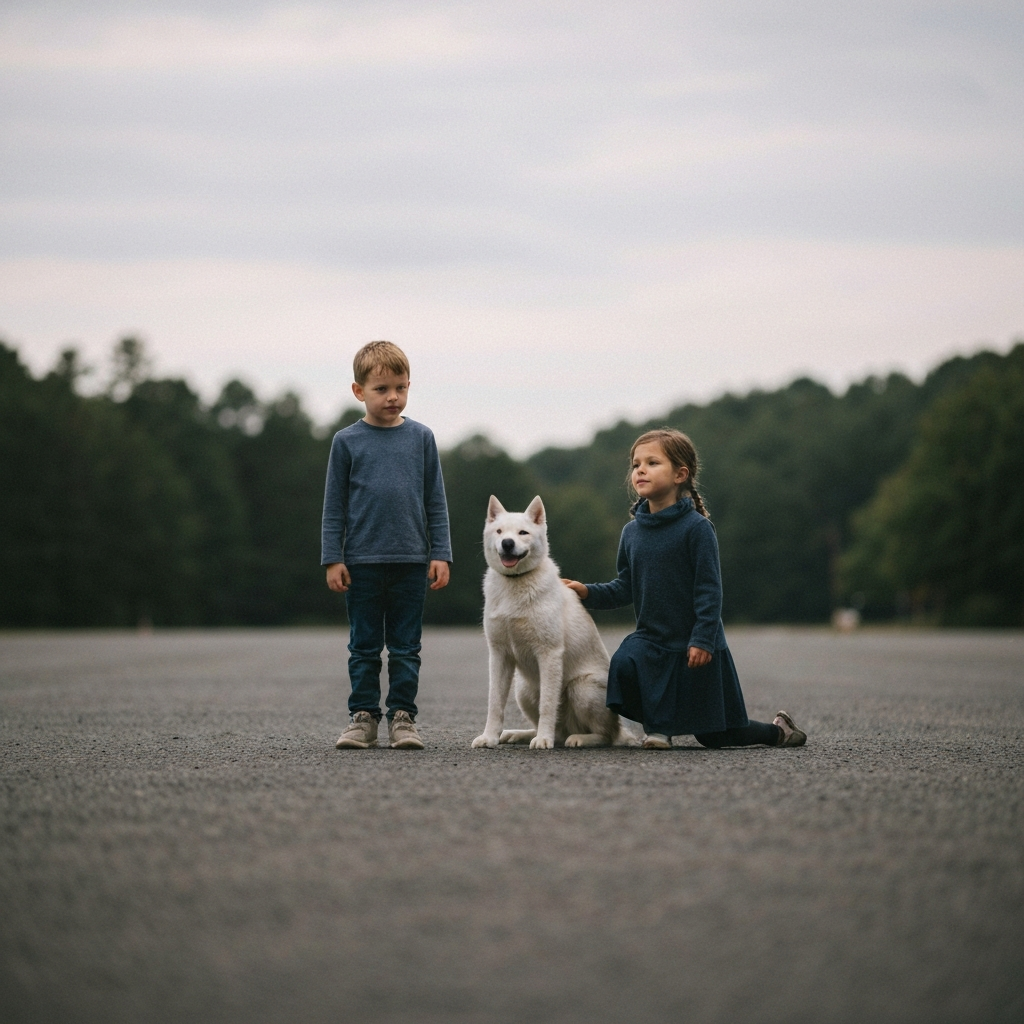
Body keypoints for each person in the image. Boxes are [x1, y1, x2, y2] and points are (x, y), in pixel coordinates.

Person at [562, 428, 806, 750]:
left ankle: (778, 732)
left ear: (680, 474)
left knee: (716, 737)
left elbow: (709, 590)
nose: (641, 470)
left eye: (652, 462)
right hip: (653, 640)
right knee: (624, 662)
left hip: (696, 643)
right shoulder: (632, 532)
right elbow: (625, 587)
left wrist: (703, 638)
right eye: (636, 464)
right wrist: (587, 592)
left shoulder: (697, 529)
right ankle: (658, 729)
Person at [322, 340, 452, 750]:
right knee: (363, 647)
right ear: (359, 391)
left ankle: (403, 718)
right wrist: (333, 558)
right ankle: (362, 718)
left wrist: (441, 553)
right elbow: (334, 507)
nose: (392, 396)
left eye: (400, 387)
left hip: (412, 562)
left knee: (405, 648)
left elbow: (436, 501)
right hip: (361, 562)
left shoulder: (421, 438)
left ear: (409, 386)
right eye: (381, 389)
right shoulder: (346, 442)